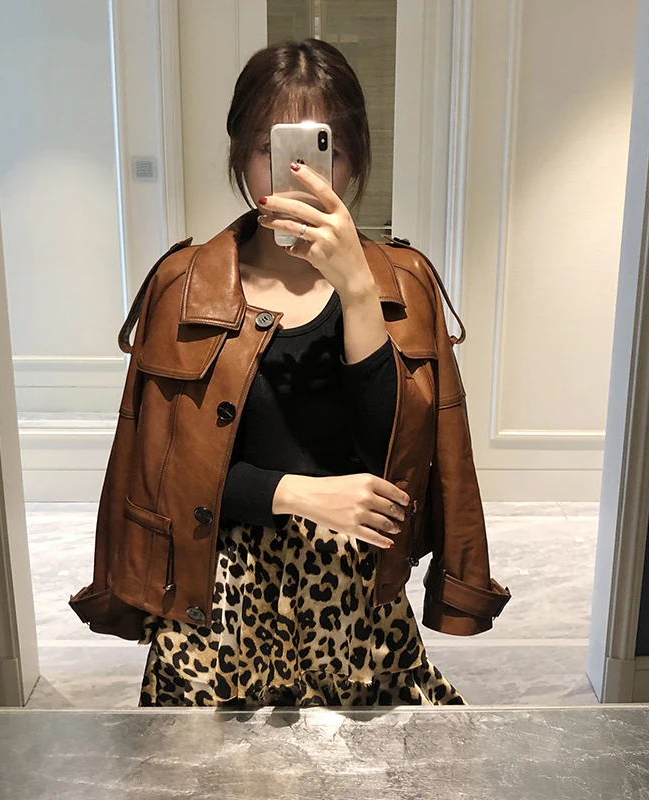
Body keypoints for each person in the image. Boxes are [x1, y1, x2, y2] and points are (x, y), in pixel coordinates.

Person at [137, 38, 466, 708]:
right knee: (204, 764)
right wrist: (299, 494)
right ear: (240, 153)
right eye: (270, 148)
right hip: (218, 599)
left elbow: (399, 461)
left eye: (322, 150)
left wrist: (358, 292)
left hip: (356, 599)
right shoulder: (185, 286)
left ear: (353, 159)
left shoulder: (403, 285)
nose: (296, 175)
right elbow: (170, 479)